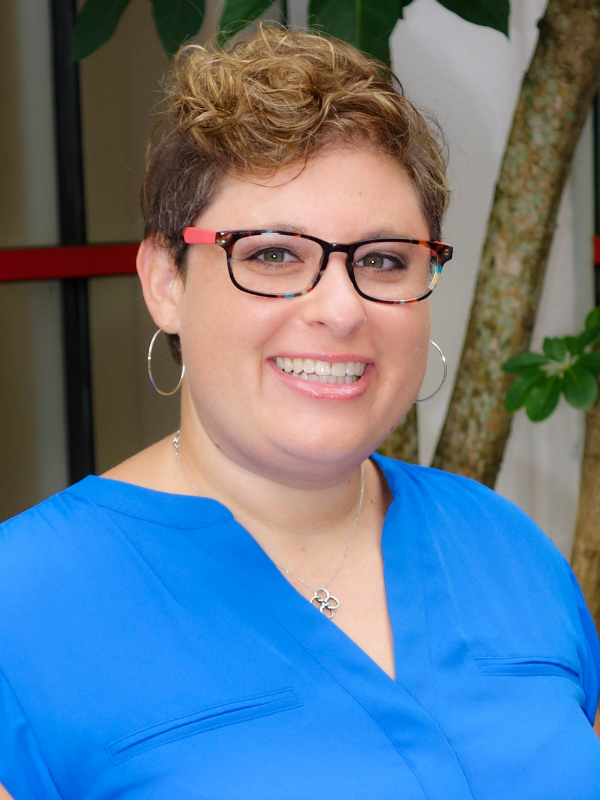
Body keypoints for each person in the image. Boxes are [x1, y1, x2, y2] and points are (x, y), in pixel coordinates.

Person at [1, 24, 599, 800]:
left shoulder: (505, 548)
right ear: (165, 282)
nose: (340, 310)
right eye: (273, 254)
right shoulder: (24, 605)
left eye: (383, 260)